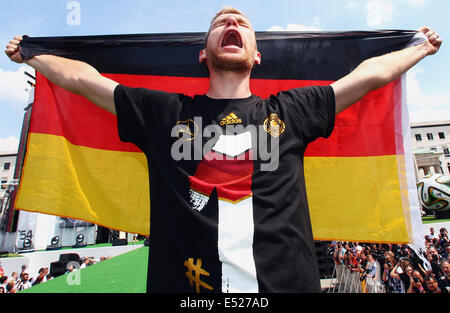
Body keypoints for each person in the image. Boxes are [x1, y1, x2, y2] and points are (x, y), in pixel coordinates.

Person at [5, 7, 442, 293]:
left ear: (256, 57)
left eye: (241, 24)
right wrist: (34, 54)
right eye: (221, 23)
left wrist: (418, 49)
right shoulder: (162, 113)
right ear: (203, 54)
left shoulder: (292, 110)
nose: (231, 25)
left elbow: (367, 76)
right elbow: (83, 80)